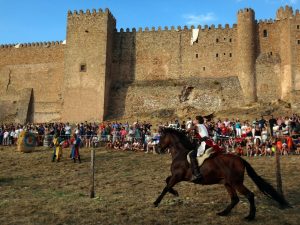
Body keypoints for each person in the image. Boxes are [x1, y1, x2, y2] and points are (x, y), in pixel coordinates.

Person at [188, 115, 209, 183]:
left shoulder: (198, 125)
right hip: (207, 142)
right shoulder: (203, 125)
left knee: (191, 155)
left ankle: (197, 174)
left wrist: (186, 130)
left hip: (204, 144)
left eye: (195, 119)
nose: (193, 120)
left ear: (197, 121)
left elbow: (190, 129)